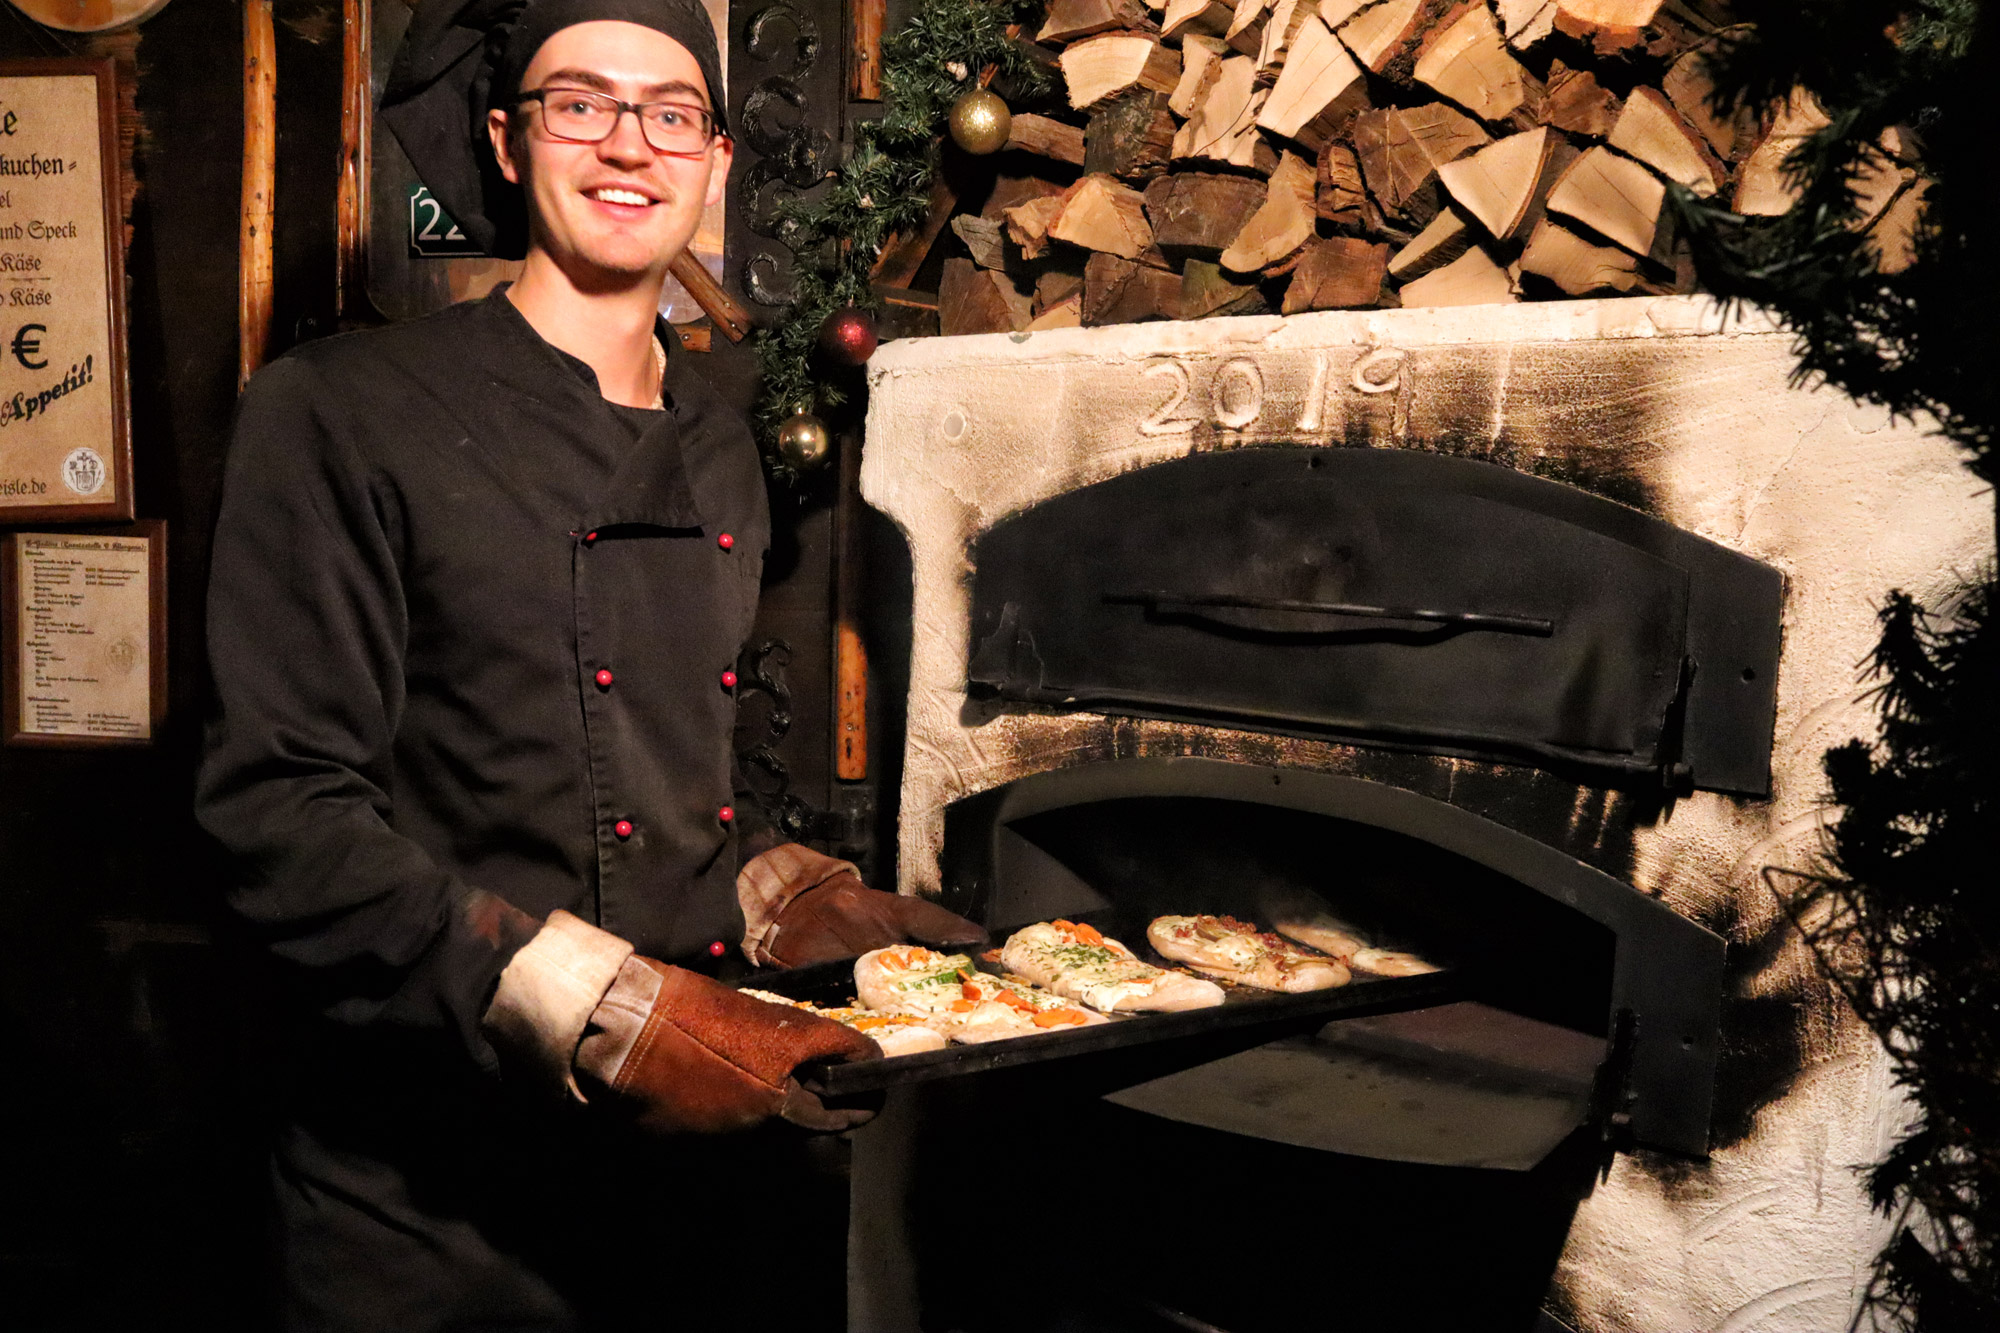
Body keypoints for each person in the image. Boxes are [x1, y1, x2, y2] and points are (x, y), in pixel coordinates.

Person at [196, 0, 982, 1325]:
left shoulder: (720, 441)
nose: (630, 144)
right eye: (582, 102)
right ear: (511, 141)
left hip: (674, 1199)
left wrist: (791, 896)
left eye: (672, 112)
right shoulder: (339, 411)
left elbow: (682, 766)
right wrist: (597, 1001)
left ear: (717, 161)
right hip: (426, 1209)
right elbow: (278, 819)